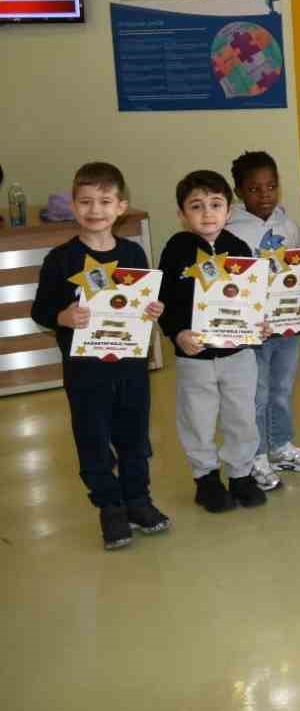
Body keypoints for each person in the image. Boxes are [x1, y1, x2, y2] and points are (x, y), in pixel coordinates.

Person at [30, 162, 169, 548]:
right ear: (73, 207)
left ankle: (138, 501)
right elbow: (41, 312)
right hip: (85, 371)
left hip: (130, 368)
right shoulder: (60, 260)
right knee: (92, 438)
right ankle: (110, 507)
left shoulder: (133, 252)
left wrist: (152, 310)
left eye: (105, 201)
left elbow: (144, 303)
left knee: (135, 437)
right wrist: (64, 316)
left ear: (121, 206)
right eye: (86, 201)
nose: (96, 210)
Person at [158, 170, 266, 512]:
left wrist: (259, 323)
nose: (207, 213)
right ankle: (205, 478)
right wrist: (177, 333)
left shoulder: (239, 247)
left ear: (228, 211)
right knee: (198, 418)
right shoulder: (176, 250)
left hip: (238, 355)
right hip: (195, 357)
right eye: (197, 206)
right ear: (181, 214)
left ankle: (240, 475)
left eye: (216, 204)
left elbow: (252, 298)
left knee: (242, 416)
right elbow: (164, 302)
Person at [228, 151, 300, 486]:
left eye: (272, 186)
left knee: (281, 388)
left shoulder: (289, 225)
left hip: (288, 324)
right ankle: (255, 455)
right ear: (239, 191)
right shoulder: (231, 231)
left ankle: (280, 445)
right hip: (254, 330)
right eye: (255, 188)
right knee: (257, 392)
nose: (265, 194)